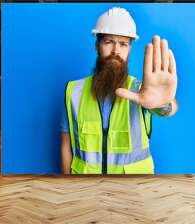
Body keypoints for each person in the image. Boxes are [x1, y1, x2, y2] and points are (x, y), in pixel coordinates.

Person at [60, 7, 178, 174]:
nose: (116, 51)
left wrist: (163, 103)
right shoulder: (73, 91)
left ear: (129, 49)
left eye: (123, 44)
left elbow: (168, 109)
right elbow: (66, 145)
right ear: (97, 45)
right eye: (108, 42)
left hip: (133, 190)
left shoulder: (142, 90)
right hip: (85, 189)